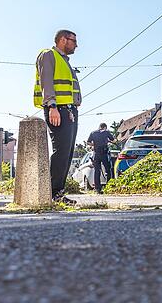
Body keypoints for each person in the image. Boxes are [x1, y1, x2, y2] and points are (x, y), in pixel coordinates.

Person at [35, 29, 81, 205]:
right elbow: (47, 82)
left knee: (67, 152)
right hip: (57, 109)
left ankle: (58, 192)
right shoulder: (48, 55)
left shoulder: (64, 60)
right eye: (73, 41)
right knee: (61, 152)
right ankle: (52, 193)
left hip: (68, 110)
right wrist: (52, 105)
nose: (76, 45)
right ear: (63, 40)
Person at [86, 123, 116, 194]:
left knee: (97, 171)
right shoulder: (106, 132)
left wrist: (94, 144)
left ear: (99, 127)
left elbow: (88, 142)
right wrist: (109, 141)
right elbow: (114, 140)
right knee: (108, 169)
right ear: (105, 127)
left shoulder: (93, 133)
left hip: (96, 153)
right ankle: (109, 186)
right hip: (104, 153)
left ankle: (97, 188)